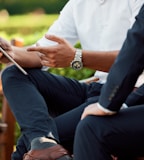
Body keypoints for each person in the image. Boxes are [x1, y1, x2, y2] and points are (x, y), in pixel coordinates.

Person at [0, 0, 144, 160]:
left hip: (125, 93)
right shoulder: (78, 3)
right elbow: (42, 52)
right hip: (93, 89)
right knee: (13, 74)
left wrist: (77, 57)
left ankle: (42, 143)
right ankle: (43, 141)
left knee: (23, 149)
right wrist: (10, 53)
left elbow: (134, 57)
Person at [73, 4, 144, 160]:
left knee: (90, 128)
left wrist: (107, 104)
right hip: (96, 90)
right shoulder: (75, 5)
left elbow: (137, 46)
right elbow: (44, 50)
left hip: (110, 92)